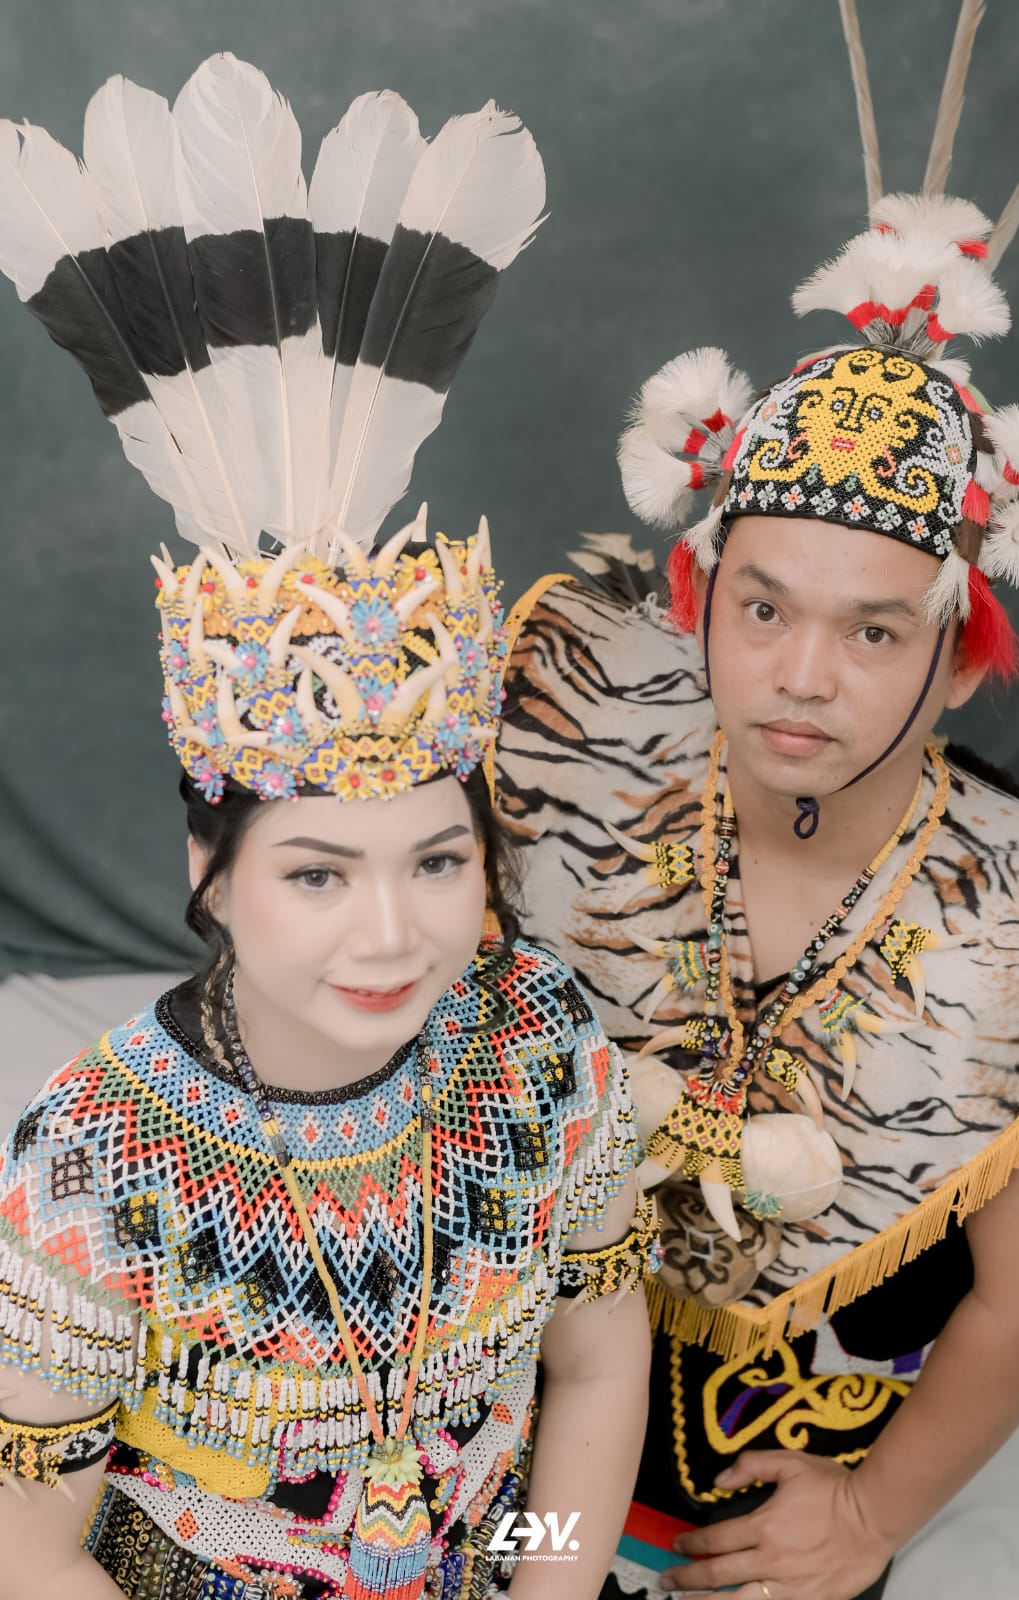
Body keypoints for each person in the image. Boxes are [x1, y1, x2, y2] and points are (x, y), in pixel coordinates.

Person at [0, 55, 654, 1600]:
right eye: (315, 871)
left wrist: (548, 1583)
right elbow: (23, 1546)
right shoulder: (91, 1165)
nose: (393, 932)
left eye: (437, 861)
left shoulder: (543, 1046)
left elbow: (596, 1369)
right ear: (210, 876)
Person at [493, 14, 1019, 1600]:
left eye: (874, 632)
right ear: (699, 596)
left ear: (960, 659)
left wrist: (871, 1522)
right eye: (762, 610)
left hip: (768, 1511)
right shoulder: (573, 742)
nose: (801, 676)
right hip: (506, 1452)